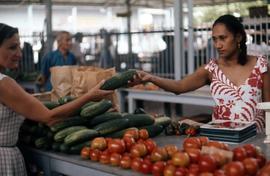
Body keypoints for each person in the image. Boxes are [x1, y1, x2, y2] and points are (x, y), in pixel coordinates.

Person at [0, 23, 113, 175]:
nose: (20, 54)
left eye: (19, 47)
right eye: (12, 47)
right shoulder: (4, 83)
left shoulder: (72, 56)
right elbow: (50, 117)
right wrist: (89, 96)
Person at [130, 14, 270, 133]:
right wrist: (151, 78)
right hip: (220, 139)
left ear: (238, 37)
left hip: (256, 140)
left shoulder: (261, 65)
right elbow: (179, 87)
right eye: (215, 39)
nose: (218, 45)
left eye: (223, 38)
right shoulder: (210, 69)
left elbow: (269, 106)